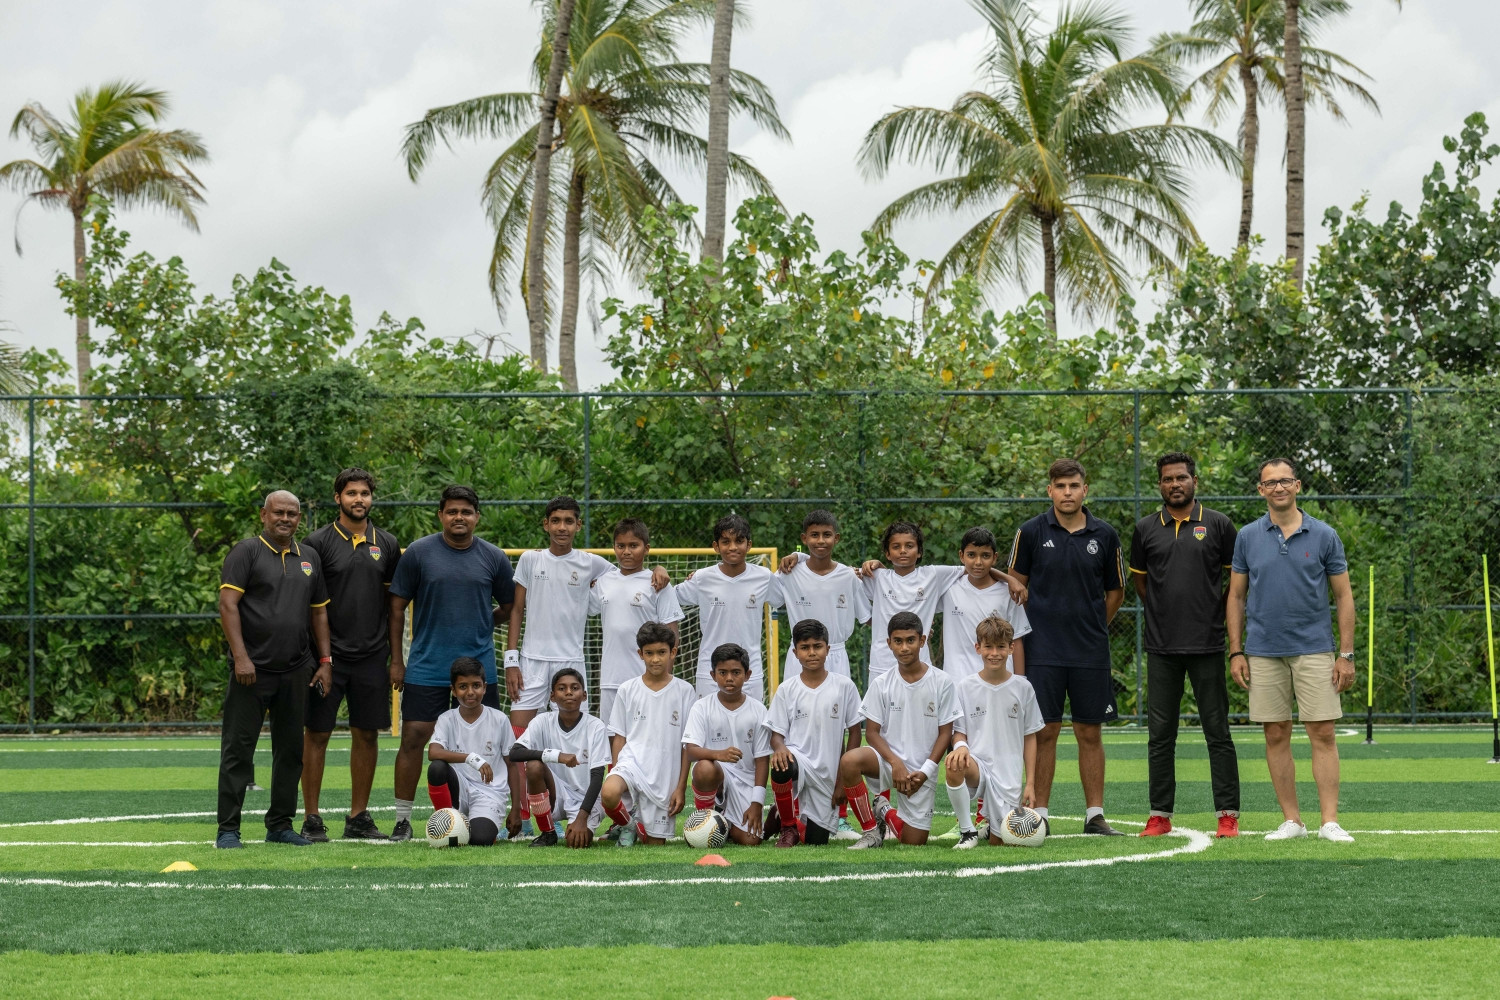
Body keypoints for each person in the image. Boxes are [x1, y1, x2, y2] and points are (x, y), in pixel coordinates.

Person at [508, 497, 660, 833]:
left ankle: (577, 810)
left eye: (569, 521)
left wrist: (658, 571)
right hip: (531, 662)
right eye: (556, 520)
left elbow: (629, 574)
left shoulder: (594, 564)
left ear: (579, 526)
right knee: (518, 739)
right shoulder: (530, 560)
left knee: (582, 746)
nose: (562, 527)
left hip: (571, 662)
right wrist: (511, 660)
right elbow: (516, 610)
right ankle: (521, 817)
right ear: (546, 524)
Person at [1228, 457, 1357, 843]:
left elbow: (1344, 595)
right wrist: (1237, 651)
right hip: (1263, 650)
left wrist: (1346, 654)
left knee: (1322, 733)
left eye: (1286, 481)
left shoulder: (1324, 535)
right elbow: (1235, 596)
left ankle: (1329, 821)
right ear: (1261, 490)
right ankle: (1292, 821)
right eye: (1271, 482)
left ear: (1297, 485)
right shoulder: (1247, 536)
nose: (1279, 487)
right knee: (1275, 734)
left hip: (1315, 649)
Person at [387, 485, 515, 841]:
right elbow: (396, 606)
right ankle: (402, 819)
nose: (459, 517)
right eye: (452, 511)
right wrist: (397, 659)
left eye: (467, 512)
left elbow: (508, 606)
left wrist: (480, 621)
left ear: (477, 516)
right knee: (414, 737)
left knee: (488, 743)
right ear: (441, 514)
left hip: (477, 669)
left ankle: (482, 810)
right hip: (427, 664)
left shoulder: (493, 556)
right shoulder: (418, 553)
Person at [1006, 459, 1126, 836]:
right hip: (1041, 649)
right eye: (1060, 486)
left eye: (1074, 485)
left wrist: (1090, 625)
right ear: (1050, 491)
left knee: (1090, 732)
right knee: (1045, 733)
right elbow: (1014, 585)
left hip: (1090, 650)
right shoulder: (1030, 532)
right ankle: (1040, 813)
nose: (1068, 492)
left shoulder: (1105, 535)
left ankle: (1094, 815)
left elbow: (1116, 592)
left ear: (1085, 490)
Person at [1130, 452, 1241, 839]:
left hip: (1208, 643)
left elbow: (1236, 585)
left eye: (1181, 478)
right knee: (1161, 736)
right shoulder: (1145, 528)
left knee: (1218, 732)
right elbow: (1143, 585)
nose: (1174, 484)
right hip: (1162, 648)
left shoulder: (1219, 525)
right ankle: (1160, 814)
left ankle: (1227, 815)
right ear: (1159, 485)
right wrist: (1163, 611)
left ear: (1195, 481)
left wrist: (1213, 611)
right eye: (1167, 479)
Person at [215, 490, 332, 849]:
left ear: (300, 519)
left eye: (293, 514)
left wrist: (325, 662)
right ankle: (228, 829)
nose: (286, 518)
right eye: (279, 512)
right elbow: (227, 604)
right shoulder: (246, 552)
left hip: (296, 670)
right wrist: (241, 657)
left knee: (290, 751)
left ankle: (280, 825)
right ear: (264, 515)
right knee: (239, 749)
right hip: (252, 670)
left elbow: (319, 612)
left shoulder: (309, 556)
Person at [299, 468, 401, 842]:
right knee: (317, 734)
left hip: (373, 657)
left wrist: (394, 657)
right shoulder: (317, 543)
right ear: (337, 497)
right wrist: (321, 659)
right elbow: (311, 605)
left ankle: (358, 818)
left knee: (367, 734)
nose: (359, 499)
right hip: (327, 659)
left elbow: (394, 607)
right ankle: (312, 818)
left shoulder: (386, 543)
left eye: (365, 493)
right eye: (351, 493)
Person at [840, 611, 961, 849]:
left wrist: (925, 771)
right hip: (888, 762)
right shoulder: (882, 683)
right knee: (849, 761)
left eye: (910, 640)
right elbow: (872, 732)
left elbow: (946, 733)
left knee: (913, 842)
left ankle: (884, 810)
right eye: (898, 641)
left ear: (922, 641)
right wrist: (895, 763)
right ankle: (871, 832)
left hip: (921, 771)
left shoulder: (942, 681)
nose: (904, 647)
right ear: (889, 644)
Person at [849, 521, 1023, 684]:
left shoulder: (933, 575)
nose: (903, 551)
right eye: (896, 547)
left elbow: (974, 567)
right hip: (881, 664)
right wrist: (868, 566)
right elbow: (848, 576)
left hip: (920, 665)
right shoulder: (876, 577)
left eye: (909, 546)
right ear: (887, 553)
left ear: (919, 552)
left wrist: (1009, 579)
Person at [945, 614, 1043, 849]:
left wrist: (1030, 783)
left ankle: (990, 829)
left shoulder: (1023, 687)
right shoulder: (965, 686)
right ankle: (967, 830)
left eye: (1001, 647)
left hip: (1008, 776)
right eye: (988, 646)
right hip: (978, 765)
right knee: (953, 762)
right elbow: (958, 732)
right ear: (977, 648)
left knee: (1003, 842)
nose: (994, 653)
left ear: (1011, 648)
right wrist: (960, 747)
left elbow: (1030, 737)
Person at [765, 619, 864, 847]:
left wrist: (842, 782)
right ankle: (788, 827)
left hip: (827, 775)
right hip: (798, 760)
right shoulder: (787, 689)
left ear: (827, 649)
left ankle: (778, 815)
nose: (812, 653)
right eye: (805, 647)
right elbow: (776, 734)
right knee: (782, 762)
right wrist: (780, 748)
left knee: (815, 841)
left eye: (817, 646)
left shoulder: (844, 686)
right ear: (795, 652)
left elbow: (855, 734)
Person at [600, 622, 698, 846]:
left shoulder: (685, 691)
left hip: (664, 778)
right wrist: (616, 770)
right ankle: (629, 825)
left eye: (662, 652)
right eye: (649, 653)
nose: (655, 659)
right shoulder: (627, 689)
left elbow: (687, 746)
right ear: (640, 654)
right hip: (631, 764)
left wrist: (681, 787)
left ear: (673, 652)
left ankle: (639, 829)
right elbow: (620, 737)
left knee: (654, 844)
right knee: (609, 792)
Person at [674, 514, 782, 702]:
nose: (733, 547)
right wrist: (659, 571)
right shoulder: (702, 578)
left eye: (739, 541)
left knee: (751, 729)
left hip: (750, 672)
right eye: (726, 541)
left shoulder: (765, 577)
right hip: (710, 672)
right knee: (708, 728)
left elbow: (790, 595)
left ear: (749, 544)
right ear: (716, 546)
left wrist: (798, 554)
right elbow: (668, 596)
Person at [589, 518, 683, 725]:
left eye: (634, 545)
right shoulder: (603, 582)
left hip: (647, 677)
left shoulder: (658, 583)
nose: (626, 551)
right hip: (610, 679)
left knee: (647, 734)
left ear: (646, 548)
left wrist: (665, 677)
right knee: (612, 738)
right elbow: (582, 606)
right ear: (614, 547)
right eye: (621, 546)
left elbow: (671, 632)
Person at [509, 668, 610, 848]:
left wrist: (581, 818)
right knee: (533, 766)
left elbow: (597, 778)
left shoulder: (596, 727)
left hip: (586, 797)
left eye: (575, 688)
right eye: (562, 688)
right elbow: (515, 753)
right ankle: (548, 832)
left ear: (584, 695)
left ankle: (581, 821)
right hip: (556, 792)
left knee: (577, 841)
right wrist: (556, 756)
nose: (569, 692)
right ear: (552, 697)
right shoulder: (542, 721)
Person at [426, 657, 521, 846]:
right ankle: (448, 822)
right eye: (463, 686)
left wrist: (516, 810)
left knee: (480, 839)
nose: (470, 692)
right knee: (437, 768)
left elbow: (512, 765)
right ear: (453, 690)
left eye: (476, 685)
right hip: (459, 787)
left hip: (489, 792)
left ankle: (480, 823)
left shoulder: (499, 719)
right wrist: (470, 758)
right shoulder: (447, 718)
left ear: (485, 688)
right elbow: (433, 752)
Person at [683, 643, 771, 845]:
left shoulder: (758, 710)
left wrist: (757, 803)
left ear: (747, 675)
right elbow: (691, 752)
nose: (729, 678)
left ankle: (728, 823)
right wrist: (719, 755)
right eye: (722, 672)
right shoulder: (702, 707)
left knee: (751, 840)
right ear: (713, 675)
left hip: (746, 781)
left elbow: (762, 761)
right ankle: (707, 819)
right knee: (704, 767)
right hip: (717, 774)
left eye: (735, 672)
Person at [774, 510, 871, 683]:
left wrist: (918, 625)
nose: (820, 541)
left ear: (836, 538)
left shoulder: (849, 576)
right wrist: (798, 555)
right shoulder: (789, 573)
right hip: (800, 654)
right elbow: (763, 593)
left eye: (826, 535)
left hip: (836, 656)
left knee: (837, 708)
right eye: (814, 535)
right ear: (804, 539)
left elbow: (869, 618)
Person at [939, 527, 1031, 680]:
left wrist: (1021, 682)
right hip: (957, 680)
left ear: (995, 558)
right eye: (971, 555)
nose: (978, 562)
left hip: (999, 681)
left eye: (985, 556)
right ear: (961, 556)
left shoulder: (1008, 593)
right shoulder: (949, 588)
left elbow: (1017, 639)